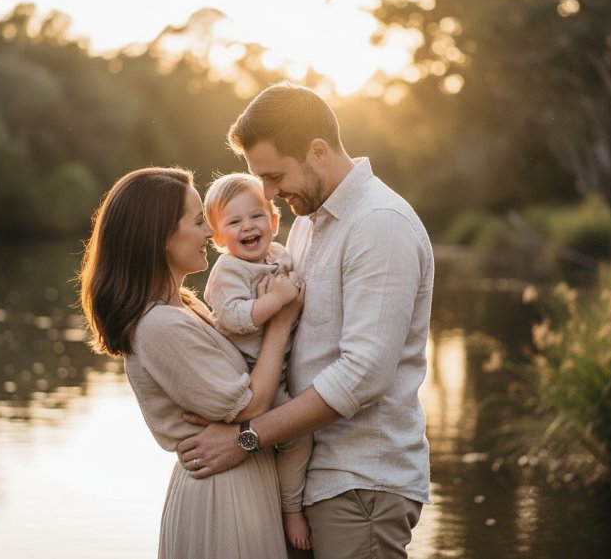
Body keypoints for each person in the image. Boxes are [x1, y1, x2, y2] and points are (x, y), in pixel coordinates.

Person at [177, 82, 435, 559]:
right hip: (309, 477)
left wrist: (247, 438)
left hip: (361, 485)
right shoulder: (307, 224)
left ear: (317, 151)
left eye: (274, 176)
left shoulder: (379, 224)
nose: (269, 193)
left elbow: (362, 377)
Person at [79, 166, 304, 559]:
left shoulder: (184, 305)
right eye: (200, 221)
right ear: (161, 237)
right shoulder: (157, 324)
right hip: (222, 497)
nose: (208, 233)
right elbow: (251, 405)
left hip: (242, 483)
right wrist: (280, 323)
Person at [202, 172, 314, 551]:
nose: (248, 226)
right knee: (298, 433)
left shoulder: (281, 255)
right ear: (218, 238)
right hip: (250, 376)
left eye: (257, 216)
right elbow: (233, 316)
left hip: (279, 370)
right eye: (233, 222)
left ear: (274, 221)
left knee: (298, 438)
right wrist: (277, 300)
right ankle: (290, 508)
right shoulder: (227, 272)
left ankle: (284, 498)